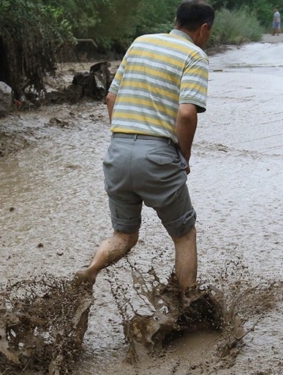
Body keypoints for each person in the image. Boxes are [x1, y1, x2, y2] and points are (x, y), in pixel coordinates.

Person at [75, 0, 214, 297]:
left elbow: (111, 100)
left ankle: (91, 269)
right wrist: (183, 157)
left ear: (175, 21)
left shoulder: (140, 43)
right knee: (184, 235)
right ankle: (187, 306)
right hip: (158, 155)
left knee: (123, 235)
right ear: (203, 29)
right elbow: (187, 114)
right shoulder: (194, 55)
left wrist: (122, 139)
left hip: (118, 151)